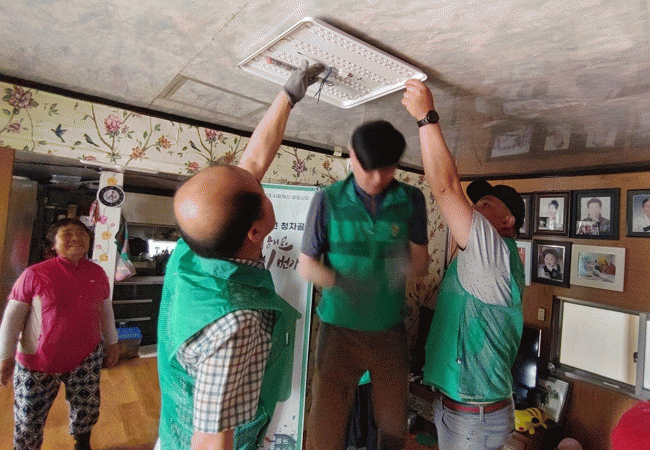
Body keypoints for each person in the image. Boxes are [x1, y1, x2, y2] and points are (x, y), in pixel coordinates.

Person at [156, 61, 324, 450]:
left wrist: (288, 96)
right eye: (262, 193)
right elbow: (211, 439)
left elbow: (251, 165)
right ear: (254, 231)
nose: (259, 180)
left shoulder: (193, 247)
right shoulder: (235, 324)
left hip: (176, 426)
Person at [402, 79, 526, 450]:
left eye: (486, 204)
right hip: (463, 411)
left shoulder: (495, 255)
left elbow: (446, 188)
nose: (474, 208)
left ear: (507, 222)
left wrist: (426, 116)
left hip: (475, 419)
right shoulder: (479, 258)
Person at [299, 120, 430, 450]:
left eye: (386, 170)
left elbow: (421, 264)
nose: (376, 179)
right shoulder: (327, 200)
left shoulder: (411, 200)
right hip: (338, 331)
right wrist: (343, 282)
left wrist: (395, 267)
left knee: (394, 425)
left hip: (389, 331)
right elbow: (306, 266)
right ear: (352, 156)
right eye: (368, 169)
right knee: (325, 426)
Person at [0, 218, 119, 450]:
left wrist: (112, 342)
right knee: (29, 419)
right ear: (53, 244)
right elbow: (12, 319)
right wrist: (5, 356)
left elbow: (105, 310)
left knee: (86, 407)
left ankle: (82, 443)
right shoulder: (34, 274)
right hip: (39, 360)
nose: (76, 238)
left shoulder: (97, 273)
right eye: (67, 234)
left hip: (86, 356)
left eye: (82, 234)